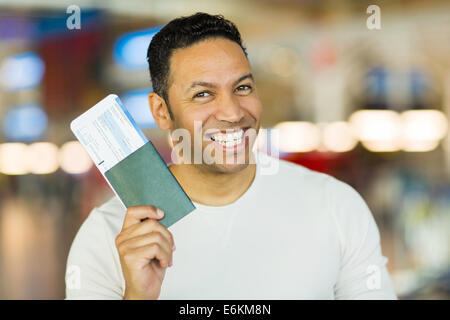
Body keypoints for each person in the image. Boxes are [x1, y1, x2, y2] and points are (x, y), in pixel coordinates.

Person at [65, 12, 397, 300]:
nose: (232, 112)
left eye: (242, 88)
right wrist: (138, 296)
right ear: (161, 111)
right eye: (203, 94)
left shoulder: (336, 206)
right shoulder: (108, 236)